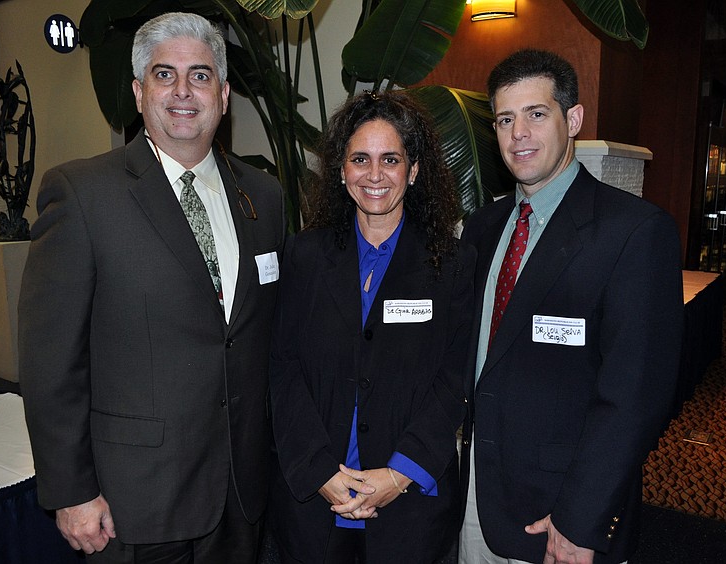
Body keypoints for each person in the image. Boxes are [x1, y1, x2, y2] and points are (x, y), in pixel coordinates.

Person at [18, 12, 284, 563]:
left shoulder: (265, 196)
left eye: (201, 75)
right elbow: (50, 362)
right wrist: (71, 491)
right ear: (139, 93)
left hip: (241, 491)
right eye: (165, 75)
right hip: (133, 502)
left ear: (225, 93)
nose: (184, 91)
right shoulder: (82, 193)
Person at [458, 49, 684, 564]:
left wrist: (581, 519)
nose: (519, 133)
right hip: (478, 496)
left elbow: (634, 399)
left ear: (573, 119)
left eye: (537, 114)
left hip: (562, 515)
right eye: (505, 119)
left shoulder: (634, 233)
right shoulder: (484, 228)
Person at [269, 90, 475, 563]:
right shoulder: (304, 256)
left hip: (409, 510)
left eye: (391, 159)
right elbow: (282, 370)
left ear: (414, 170)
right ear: (341, 170)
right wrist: (321, 471)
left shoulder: (454, 264)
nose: (375, 175)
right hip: (314, 505)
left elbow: (454, 381)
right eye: (360, 159)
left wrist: (399, 474)